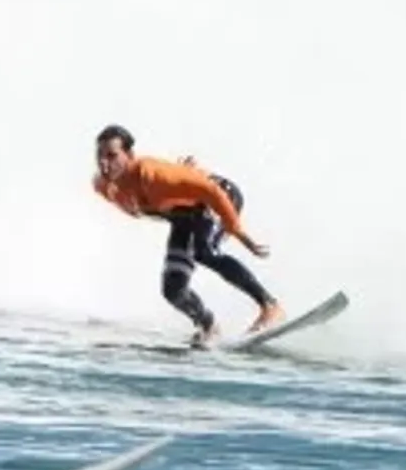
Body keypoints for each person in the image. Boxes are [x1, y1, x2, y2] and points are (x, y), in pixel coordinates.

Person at [90, 124, 280, 345]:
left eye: (112, 155)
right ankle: (208, 326)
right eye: (100, 156)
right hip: (184, 216)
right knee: (173, 289)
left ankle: (270, 305)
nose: (104, 163)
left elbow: (210, 190)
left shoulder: (153, 175)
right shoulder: (104, 186)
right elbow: (146, 208)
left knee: (205, 252)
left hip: (217, 197)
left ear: (130, 155)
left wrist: (237, 230)